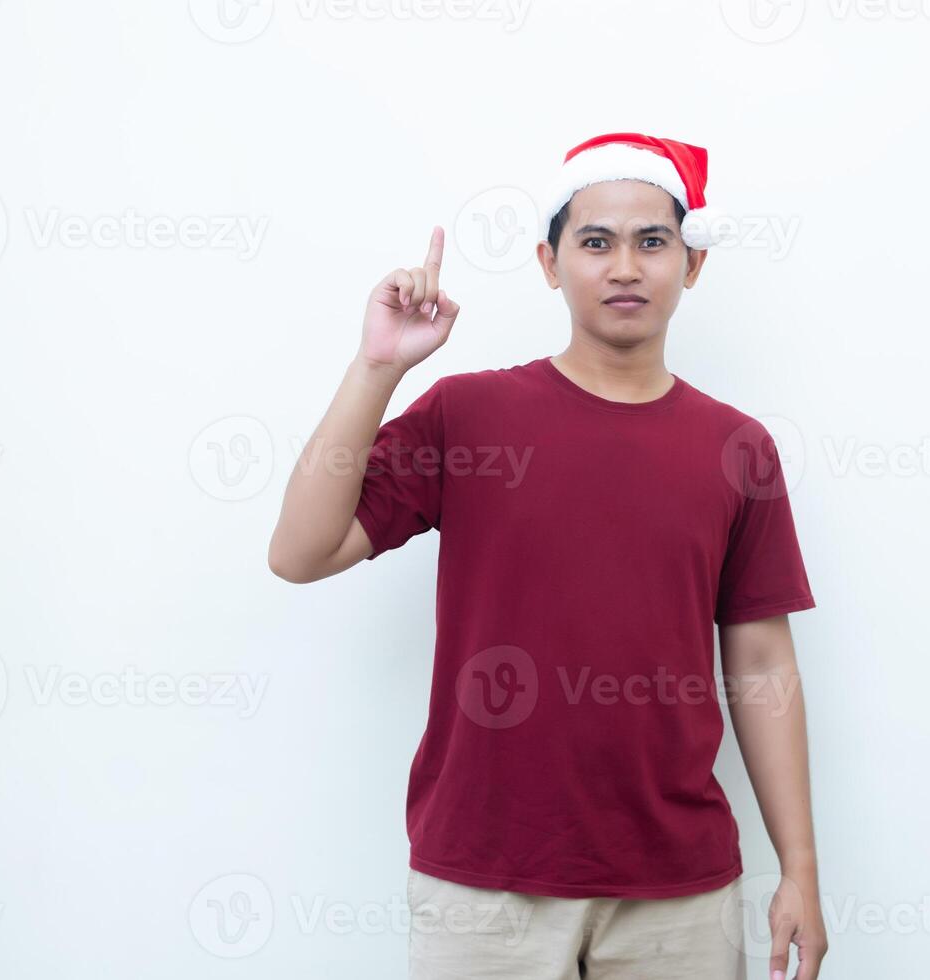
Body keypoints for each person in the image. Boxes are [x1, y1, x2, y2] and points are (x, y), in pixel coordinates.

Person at [268, 132, 829, 980]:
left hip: (677, 891)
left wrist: (801, 871)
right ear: (548, 261)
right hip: (484, 884)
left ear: (693, 263)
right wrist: (375, 367)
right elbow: (300, 552)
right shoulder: (470, 415)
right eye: (595, 242)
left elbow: (759, 659)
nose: (625, 267)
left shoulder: (737, 447)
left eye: (653, 242)